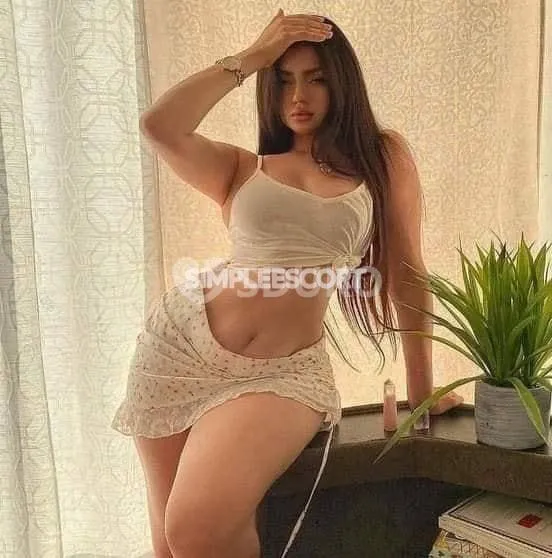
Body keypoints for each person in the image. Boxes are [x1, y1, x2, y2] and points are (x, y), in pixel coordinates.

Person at [112, 9, 463, 558]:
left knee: (195, 528)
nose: (299, 96)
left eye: (316, 79)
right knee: (168, 548)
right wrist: (254, 56)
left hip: (284, 372)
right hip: (178, 348)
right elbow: (160, 125)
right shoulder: (241, 168)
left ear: (342, 83)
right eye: (284, 80)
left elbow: (407, 275)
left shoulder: (381, 158)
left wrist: (422, 391)